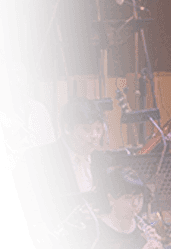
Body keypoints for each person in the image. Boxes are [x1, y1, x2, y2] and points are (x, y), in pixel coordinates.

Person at [15, 96, 119, 231]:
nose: (94, 136)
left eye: (98, 129)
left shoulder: (104, 160)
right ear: (67, 128)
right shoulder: (40, 158)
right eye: (86, 129)